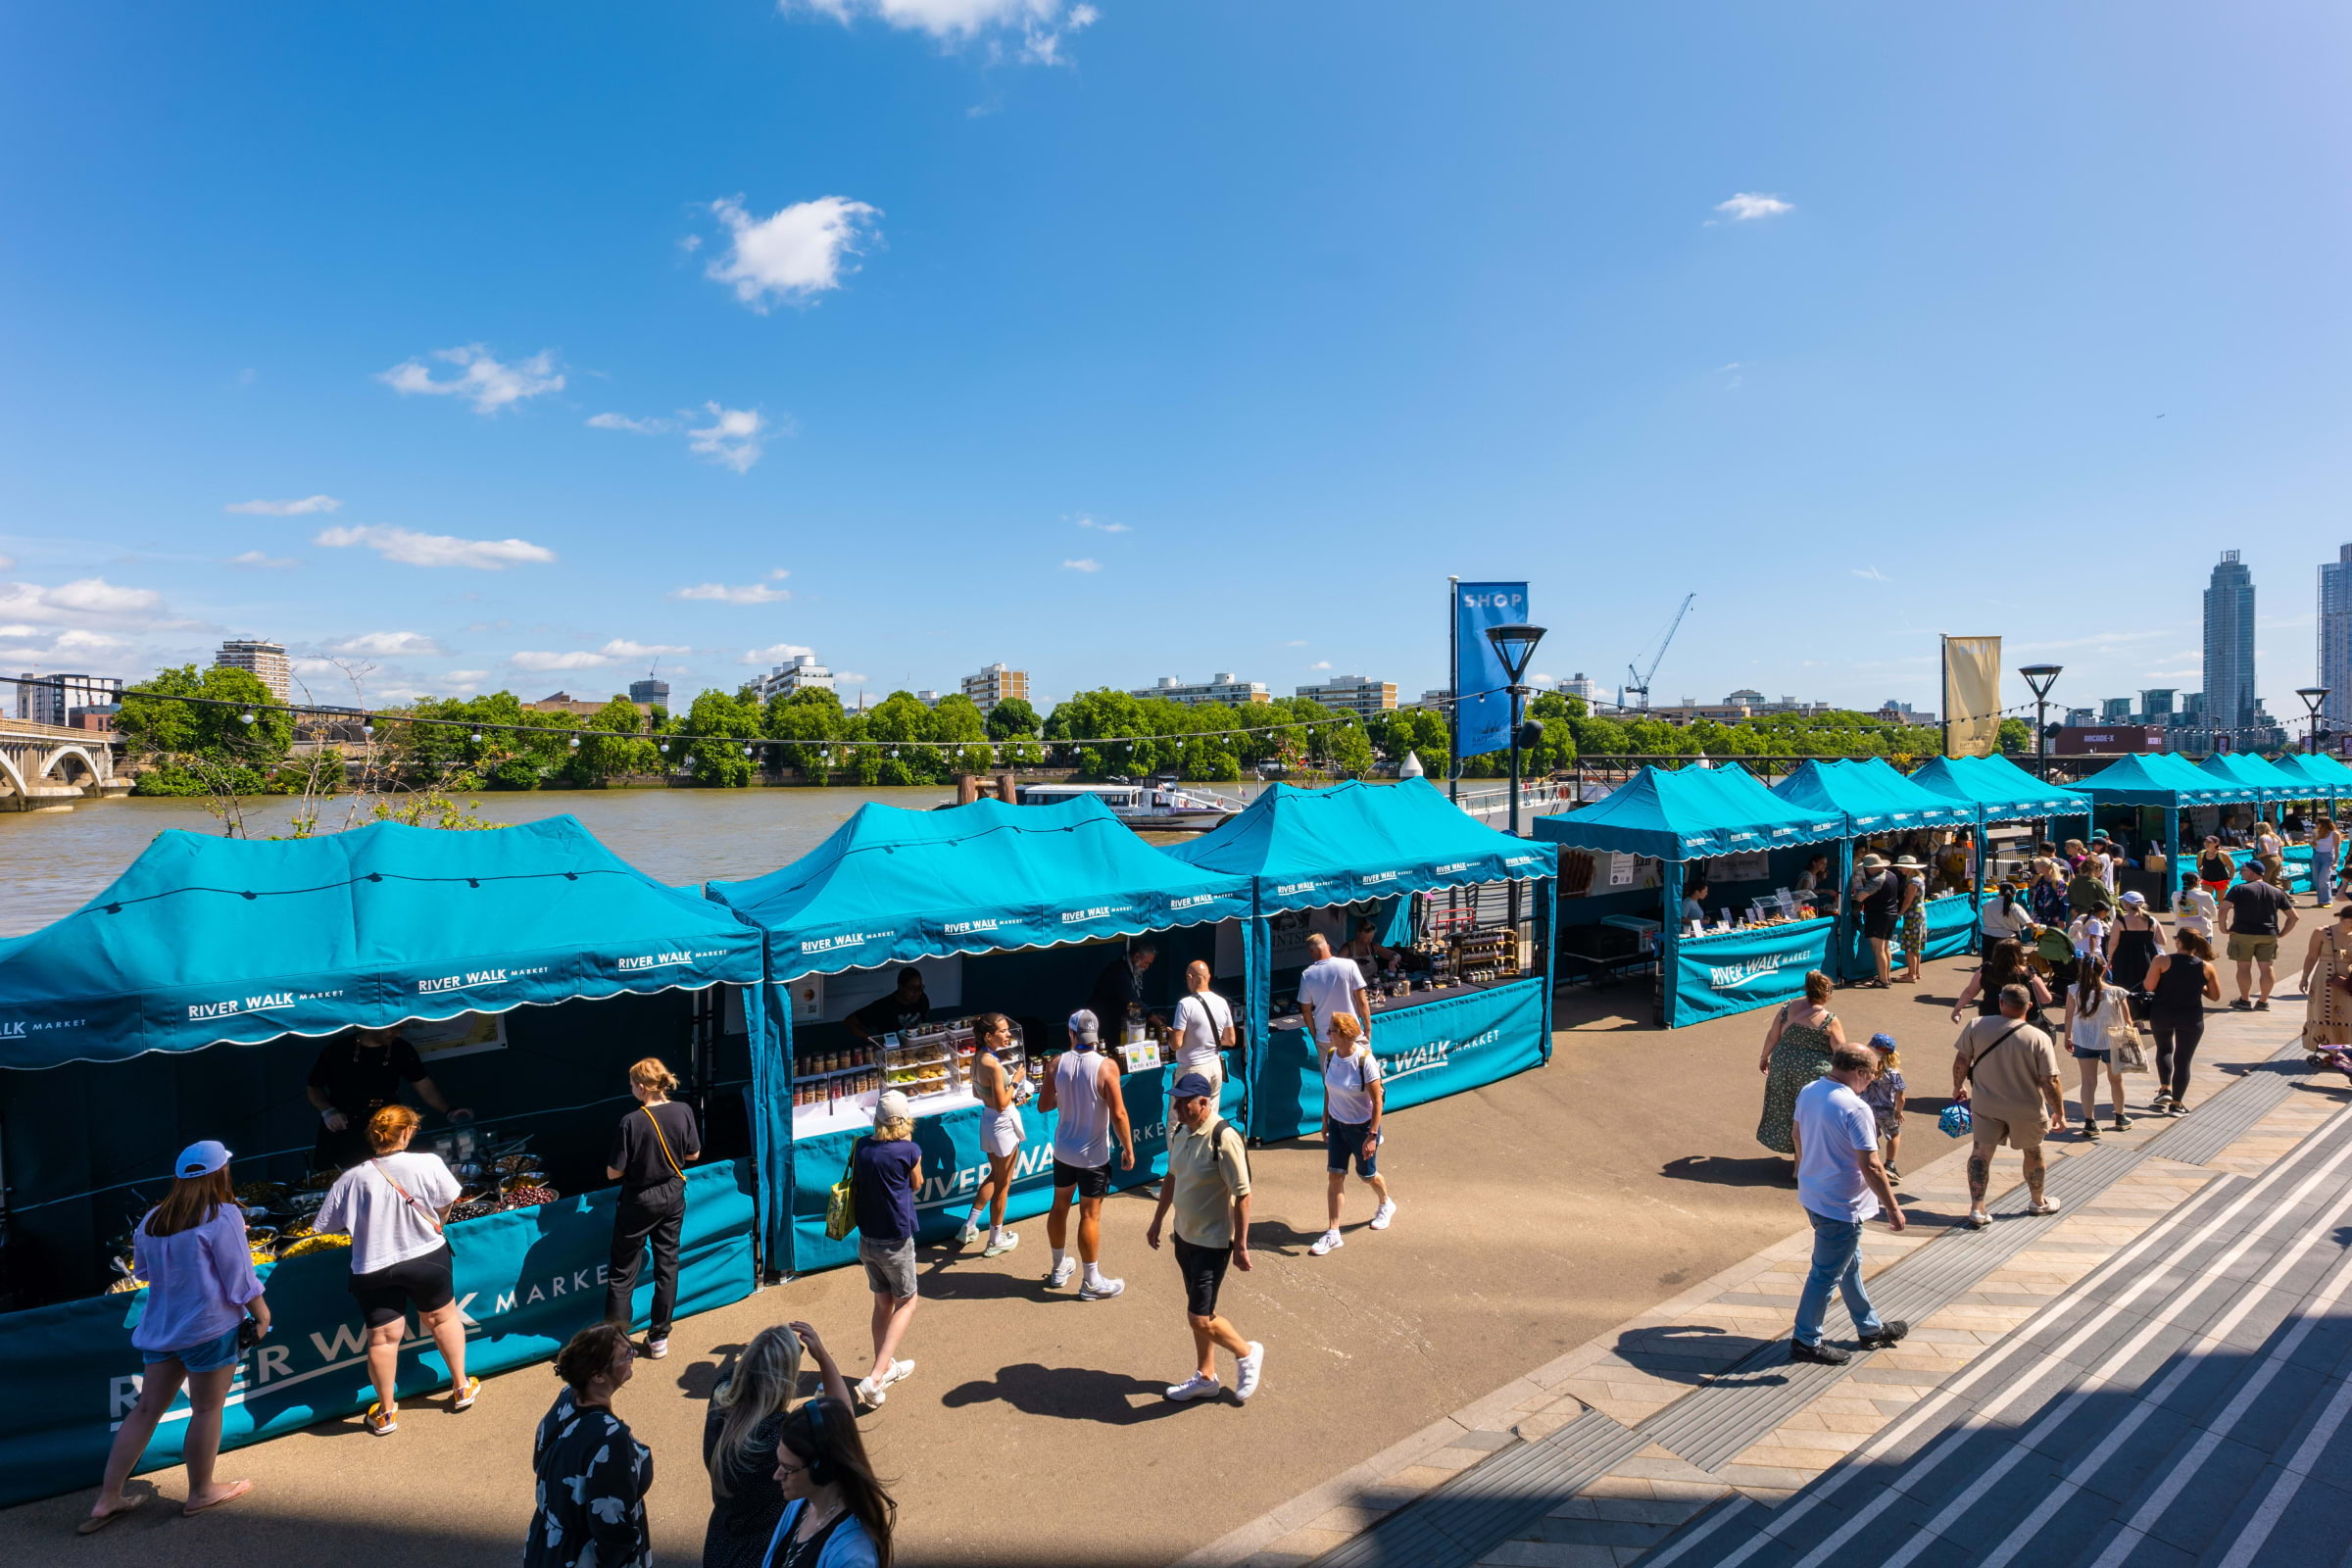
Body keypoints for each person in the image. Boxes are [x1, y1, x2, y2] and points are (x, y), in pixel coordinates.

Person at [80, 1141, 270, 1532]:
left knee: (146, 1409)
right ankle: (201, 1492)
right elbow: (240, 1279)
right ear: (222, 1172)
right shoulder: (224, 1214)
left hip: (161, 1329)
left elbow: (143, 1272)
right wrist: (263, 1315)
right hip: (209, 1328)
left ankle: (108, 1497)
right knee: (207, 1410)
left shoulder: (151, 1219)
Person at [314, 1103, 472, 1436]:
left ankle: (386, 1413)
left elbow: (326, 1227)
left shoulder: (350, 1179)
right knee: (443, 1319)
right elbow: (446, 1203)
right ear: (408, 1131)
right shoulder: (429, 1162)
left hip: (372, 1266)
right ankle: (461, 1387)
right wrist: (433, 1223)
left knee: (383, 1340)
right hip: (427, 1256)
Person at [1787, 1043, 1908, 1366]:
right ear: (1859, 1072)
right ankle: (1805, 1340)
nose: (1872, 1081)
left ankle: (1869, 1328)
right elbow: (1872, 1165)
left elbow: (1797, 1134)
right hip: (1841, 1205)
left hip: (1814, 1195)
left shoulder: (1811, 1090)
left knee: (1848, 1264)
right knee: (1825, 1275)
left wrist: (1808, 1168)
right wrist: (1893, 1208)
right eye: (1872, 1075)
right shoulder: (1855, 1108)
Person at [1147, 1069, 1264, 1402]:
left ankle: (1246, 1352)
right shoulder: (1182, 1132)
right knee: (1201, 1313)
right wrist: (1157, 1220)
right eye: (1175, 1102)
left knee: (1198, 1317)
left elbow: (1243, 1194)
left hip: (1212, 1243)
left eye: (1183, 1103)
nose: (1177, 1109)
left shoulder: (1224, 1138)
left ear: (1203, 1102)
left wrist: (1241, 1245)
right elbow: (1172, 1178)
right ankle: (1206, 1376)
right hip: (1184, 1237)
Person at [704, 1321, 856, 1568]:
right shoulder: (778, 1435)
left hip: (720, 1543)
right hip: (762, 1552)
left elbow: (743, 1372)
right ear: (785, 1382)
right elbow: (843, 1420)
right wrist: (823, 1357)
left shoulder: (721, 1397)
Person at [526, 1323, 651, 1568]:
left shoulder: (567, 1396)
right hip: (582, 1555)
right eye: (627, 1353)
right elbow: (612, 1529)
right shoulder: (612, 1438)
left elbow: (540, 1460)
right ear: (598, 1376)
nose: (634, 1354)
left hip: (547, 1546)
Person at [605, 1056, 702, 1360]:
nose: (631, 1089)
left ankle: (618, 1344)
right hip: (673, 1193)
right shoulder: (683, 1110)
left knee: (622, 1274)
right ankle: (659, 1337)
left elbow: (613, 1173)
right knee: (667, 1264)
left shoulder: (631, 1121)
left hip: (640, 1199)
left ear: (642, 1087)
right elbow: (694, 1154)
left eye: (632, 1085)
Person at [1950, 986, 2068, 1230]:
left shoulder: (1977, 1025)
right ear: (2029, 1006)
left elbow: (1962, 1059)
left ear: (2001, 1002)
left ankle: (1977, 1208)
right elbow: (2050, 1081)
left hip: (1986, 1104)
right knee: (2033, 1152)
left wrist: (1958, 1086)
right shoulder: (2039, 1038)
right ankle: (2038, 1202)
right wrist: (2059, 1112)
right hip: (2026, 1107)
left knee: (1981, 1153)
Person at [1039, 1008, 1133, 1299]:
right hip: (1093, 1157)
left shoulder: (1056, 1063)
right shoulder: (1107, 1067)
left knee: (1059, 1206)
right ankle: (1091, 1281)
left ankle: (1058, 1268)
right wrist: (1128, 1147)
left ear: (1071, 1033)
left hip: (1064, 1152)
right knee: (1090, 1215)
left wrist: (1067, 1093)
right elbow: (1118, 1113)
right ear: (1095, 1035)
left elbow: (1043, 1105)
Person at [304, 1026, 470, 1171]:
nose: (397, 1033)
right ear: (374, 1025)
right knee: (341, 1175)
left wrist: (449, 1110)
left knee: (390, 1172)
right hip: (344, 1124)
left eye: (401, 1028)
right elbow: (313, 1087)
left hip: (386, 1124)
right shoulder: (338, 1049)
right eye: (393, 1029)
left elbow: (423, 1084)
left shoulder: (401, 1048)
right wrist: (328, 1111)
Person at [761, 1396, 897, 1568]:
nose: (777, 1475)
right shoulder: (801, 1504)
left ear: (821, 1470)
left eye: (788, 1468)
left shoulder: (853, 1557)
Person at [849, 1090, 920, 1407]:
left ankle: (886, 1364)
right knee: (907, 1302)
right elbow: (917, 1183)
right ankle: (876, 1377)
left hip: (867, 1241)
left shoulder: (862, 1146)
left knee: (882, 1303)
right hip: (896, 1242)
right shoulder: (910, 1150)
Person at [1308, 1012, 1395, 1254]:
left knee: (1367, 1176)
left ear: (1344, 1034)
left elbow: (1377, 1102)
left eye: (1331, 1031)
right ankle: (1333, 1233)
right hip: (1337, 1125)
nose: (1327, 1034)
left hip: (1362, 1129)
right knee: (1335, 1176)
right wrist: (1325, 1120)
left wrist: (1372, 1136)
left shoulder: (1365, 1061)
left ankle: (1385, 1203)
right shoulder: (1331, 1056)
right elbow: (1329, 1089)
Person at [1756, 971, 1846, 1164]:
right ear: (1826, 992)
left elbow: (1773, 1036)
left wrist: (1764, 1057)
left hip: (1782, 1066)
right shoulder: (1829, 1020)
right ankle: (1802, 1163)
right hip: (1811, 1074)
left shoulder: (1787, 1008)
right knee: (1809, 1116)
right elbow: (1841, 1053)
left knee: (1788, 1110)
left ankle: (1798, 1160)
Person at [956, 1013, 1025, 1256]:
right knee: (1003, 1185)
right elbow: (1002, 1104)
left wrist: (1005, 1094)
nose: (1008, 1034)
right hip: (1002, 1125)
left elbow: (977, 1094)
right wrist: (1015, 1082)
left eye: (1008, 1030)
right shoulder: (994, 1065)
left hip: (988, 1121)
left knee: (995, 1176)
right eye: (1003, 1031)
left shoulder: (977, 1058)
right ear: (988, 1036)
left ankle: (969, 1226)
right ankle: (995, 1240)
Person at [2144, 929, 2221, 1115]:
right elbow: (2215, 996)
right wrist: (2198, 986)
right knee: (2183, 1060)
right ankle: (2177, 1104)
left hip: (2162, 1013)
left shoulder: (2161, 961)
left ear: (2178, 941)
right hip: (2191, 1017)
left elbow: (2149, 986)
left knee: (2164, 1049)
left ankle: (2164, 1089)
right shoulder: (2206, 967)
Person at [2061, 956, 2136, 1140]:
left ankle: (2090, 1122)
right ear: (2104, 969)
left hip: (2083, 1040)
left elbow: (2068, 1017)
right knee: (2116, 1080)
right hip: (2111, 1040)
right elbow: (2128, 1020)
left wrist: (2068, 1037)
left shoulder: (2074, 990)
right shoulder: (2116, 992)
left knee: (2088, 1081)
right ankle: (2120, 1117)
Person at [2222, 859, 2299, 1010]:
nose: (2241, 872)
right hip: (2268, 934)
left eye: (2244, 869)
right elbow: (2294, 917)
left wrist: (2224, 929)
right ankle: (2263, 1001)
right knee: (2267, 968)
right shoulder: (2276, 891)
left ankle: (2244, 1000)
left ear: (2252, 872)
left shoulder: (2238, 889)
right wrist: (2282, 933)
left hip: (2242, 933)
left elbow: (2223, 909)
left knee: (2243, 968)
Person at [1165, 961, 1236, 1102]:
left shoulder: (1185, 1004)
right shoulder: (1222, 1002)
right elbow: (1230, 1040)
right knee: (1210, 1114)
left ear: (1190, 978)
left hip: (1191, 1071)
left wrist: (1171, 1034)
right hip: (1215, 1067)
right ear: (1208, 977)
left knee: (1180, 1115)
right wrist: (1207, 1041)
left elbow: (1176, 1044)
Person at [1951, 937, 2053, 1025]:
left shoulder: (1985, 970)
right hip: (2024, 1021)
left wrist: (1957, 1009)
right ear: (2019, 953)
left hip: (1990, 1019)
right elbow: (2046, 999)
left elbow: (1969, 992)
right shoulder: (2029, 973)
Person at [1296, 931, 1372, 1047]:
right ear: (1328, 947)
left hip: (1325, 1039)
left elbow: (1306, 1012)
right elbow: (1362, 1001)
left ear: (1311, 952)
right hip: (1352, 1033)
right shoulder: (1349, 965)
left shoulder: (1307, 975)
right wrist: (1367, 1029)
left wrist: (1316, 1036)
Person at [2299, 904, 2352, 1060]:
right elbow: (2311, 957)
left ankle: (2346, 1053)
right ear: (2342, 918)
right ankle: (2330, 1053)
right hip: (2324, 979)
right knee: (2324, 1013)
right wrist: (2304, 977)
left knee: (2347, 1015)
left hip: (2348, 981)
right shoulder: (2321, 932)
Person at [1088, 940, 1158, 1048]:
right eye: (1146, 963)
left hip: (1113, 1022)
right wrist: (1156, 1020)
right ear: (1137, 956)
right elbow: (1133, 1000)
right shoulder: (1118, 972)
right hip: (1104, 1022)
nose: (1147, 967)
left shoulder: (1128, 970)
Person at [1859, 1033, 1907, 1181]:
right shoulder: (1894, 1074)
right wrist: (1898, 1111)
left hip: (1866, 1109)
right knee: (1894, 1134)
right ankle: (1890, 1165)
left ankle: (1868, 1164)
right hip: (1886, 1110)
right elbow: (1901, 1097)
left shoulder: (1864, 1069)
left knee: (1869, 1137)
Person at [1851, 855, 1901, 988]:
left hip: (1879, 917)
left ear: (1872, 868)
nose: (1866, 870)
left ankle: (1882, 981)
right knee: (1885, 948)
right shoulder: (1891, 875)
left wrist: (1854, 896)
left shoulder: (1876, 880)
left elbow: (1860, 897)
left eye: (1867, 868)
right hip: (1891, 915)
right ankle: (1886, 978)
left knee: (1878, 949)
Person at [845, 969, 928, 1046]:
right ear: (900, 987)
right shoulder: (883, 1007)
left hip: (920, 1050)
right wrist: (874, 1041)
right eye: (912, 989)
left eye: (920, 988)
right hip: (894, 1052)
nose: (918, 992)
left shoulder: (922, 999)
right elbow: (850, 1022)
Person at [2105, 890, 2162, 996]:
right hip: (2147, 956)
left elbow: (2113, 943)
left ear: (2126, 904)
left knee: (2123, 986)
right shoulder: (2151, 920)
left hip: (2124, 957)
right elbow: (2162, 941)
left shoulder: (2120, 921)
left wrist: (2110, 959)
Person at [1894, 856, 1928, 984]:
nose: (1900, 869)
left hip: (1913, 916)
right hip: (1919, 914)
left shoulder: (1913, 881)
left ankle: (1911, 975)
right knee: (1915, 946)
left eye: (1901, 867)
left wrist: (1900, 913)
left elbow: (1908, 900)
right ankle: (1915, 972)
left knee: (1910, 947)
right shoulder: (1918, 879)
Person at [1978, 881, 2034, 947]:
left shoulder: (1987, 904)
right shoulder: (2015, 907)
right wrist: (2039, 926)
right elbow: (2028, 923)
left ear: (1999, 892)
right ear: (2014, 894)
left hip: (1988, 937)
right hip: (2009, 940)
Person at [2173, 871, 2220, 944]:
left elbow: (2176, 912)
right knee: (2203, 951)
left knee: (2185, 951)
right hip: (2202, 931)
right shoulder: (2205, 895)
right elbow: (2213, 913)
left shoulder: (2175, 894)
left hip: (2182, 930)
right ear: (2197, 882)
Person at [2028, 858, 2072, 928]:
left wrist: (2062, 919)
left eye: (2036, 866)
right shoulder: (2040, 879)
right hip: (2039, 917)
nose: (2034, 868)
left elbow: (2064, 902)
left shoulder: (2058, 883)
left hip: (2053, 918)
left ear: (2044, 868)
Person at [2313, 816, 2342, 907]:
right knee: (2317, 880)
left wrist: (2336, 861)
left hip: (2328, 857)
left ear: (2324, 824)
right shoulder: (2317, 832)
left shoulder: (2334, 833)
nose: (2316, 825)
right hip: (2317, 855)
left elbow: (2337, 849)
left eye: (2317, 823)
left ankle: (2327, 901)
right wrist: (2311, 842)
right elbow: (2316, 846)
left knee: (2323, 880)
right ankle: (2321, 901)